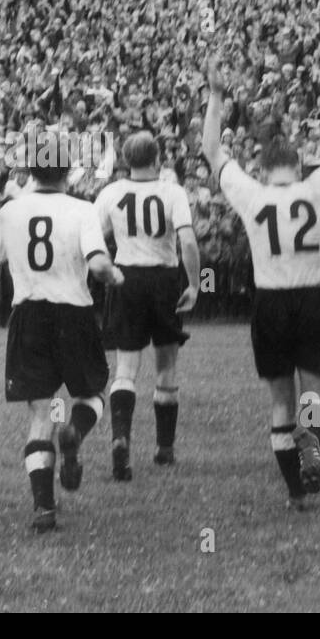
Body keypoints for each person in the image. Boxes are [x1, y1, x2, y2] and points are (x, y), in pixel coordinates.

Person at [201, 55, 320, 510]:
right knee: (319, 401)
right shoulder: (318, 189)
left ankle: (296, 493)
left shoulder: (252, 194)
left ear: (264, 169)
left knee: (280, 404)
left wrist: (215, 97)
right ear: (298, 164)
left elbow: (213, 153)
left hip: (269, 303)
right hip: (313, 299)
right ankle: (310, 440)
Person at [0, 132, 124, 533]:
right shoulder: (82, 209)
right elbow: (98, 263)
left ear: (32, 171)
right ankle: (73, 431)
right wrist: (115, 274)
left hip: (29, 314)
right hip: (74, 313)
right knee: (91, 394)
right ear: (68, 173)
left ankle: (43, 507)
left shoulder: (10, 210)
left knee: (40, 412)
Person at [93, 130, 200, 480]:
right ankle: (164, 448)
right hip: (163, 279)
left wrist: (103, 273)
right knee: (166, 363)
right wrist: (195, 284)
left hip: (126, 278)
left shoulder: (111, 192)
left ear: (126, 160)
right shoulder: (172, 191)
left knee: (125, 367)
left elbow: (91, 239)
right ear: (158, 159)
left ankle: (121, 438)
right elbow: (187, 239)